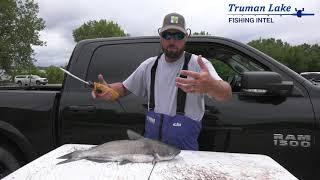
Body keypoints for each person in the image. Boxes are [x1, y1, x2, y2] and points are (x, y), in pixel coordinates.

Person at [92, 12, 232, 150]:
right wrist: (109, 89)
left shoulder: (199, 64)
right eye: (167, 35)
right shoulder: (149, 65)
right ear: (161, 37)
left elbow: (226, 94)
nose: (172, 41)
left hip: (185, 154)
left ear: (186, 37)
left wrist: (211, 86)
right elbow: (123, 88)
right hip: (149, 152)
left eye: (178, 35)